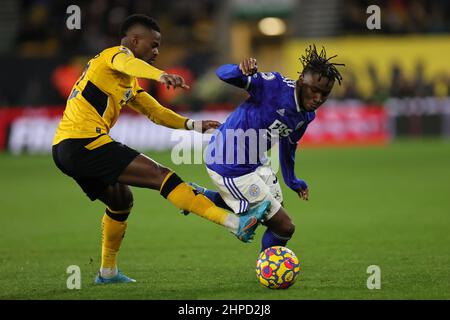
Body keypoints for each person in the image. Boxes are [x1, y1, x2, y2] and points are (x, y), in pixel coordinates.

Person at [52, 14, 270, 285]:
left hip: (66, 149)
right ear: (134, 40)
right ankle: (236, 224)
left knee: (121, 201)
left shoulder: (127, 81)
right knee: (162, 176)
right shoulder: (114, 56)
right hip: (84, 142)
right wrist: (161, 75)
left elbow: (155, 112)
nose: (156, 51)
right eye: (153, 45)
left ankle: (107, 273)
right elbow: (127, 61)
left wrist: (193, 124)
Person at [186, 45, 344, 252]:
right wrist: (239, 71)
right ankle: (269, 268)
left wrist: (292, 180)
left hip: (255, 161)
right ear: (300, 81)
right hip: (229, 164)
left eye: (325, 94)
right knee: (284, 225)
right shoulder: (274, 86)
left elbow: (289, 144)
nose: (318, 98)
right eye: (314, 90)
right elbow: (222, 73)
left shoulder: (305, 115)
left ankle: (197, 195)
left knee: (277, 214)